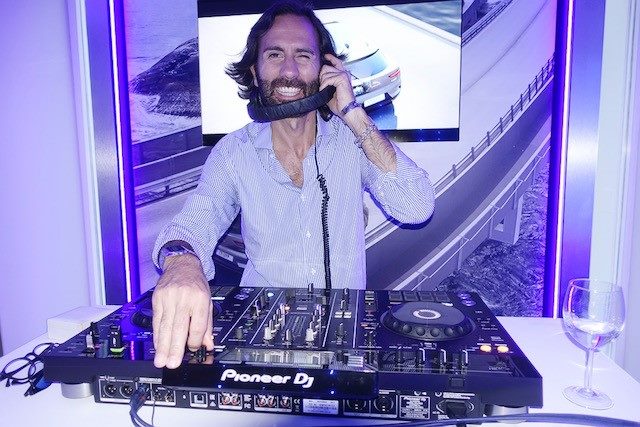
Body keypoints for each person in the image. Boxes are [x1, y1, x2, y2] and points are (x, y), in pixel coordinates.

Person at [151, 0, 435, 369]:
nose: (289, 71)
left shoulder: (355, 141)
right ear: (255, 72)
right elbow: (193, 223)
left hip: (344, 350)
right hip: (259, 350)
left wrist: (352, 112)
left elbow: (416, 207)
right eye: (274, 55)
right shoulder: (234, 152)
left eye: (303, 55)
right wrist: (182, 263)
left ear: (325, 69)